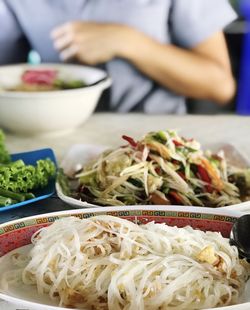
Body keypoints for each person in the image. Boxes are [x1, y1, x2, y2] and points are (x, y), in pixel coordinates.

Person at [0, 0, 237, 113]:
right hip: (54, 131)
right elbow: (7, 79)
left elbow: (219, 85)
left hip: (159, 135)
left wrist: (130, 42)